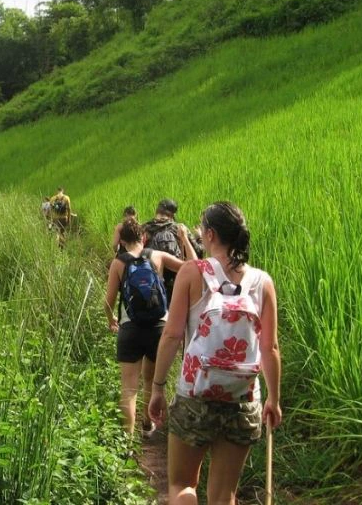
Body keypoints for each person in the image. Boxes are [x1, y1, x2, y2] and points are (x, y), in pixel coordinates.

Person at [147, 201, 282, 505]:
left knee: (182, 484)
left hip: (195, 396)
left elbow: (171, 334)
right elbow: (270, 348)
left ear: (209, 234)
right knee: (224, 495)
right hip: (243, 399)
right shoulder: (263, 282)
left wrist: (157, 388)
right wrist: (273, 398)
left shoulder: (193, 273)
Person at [104, 218, 195, 442]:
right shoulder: (157, 256)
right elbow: (193, 266)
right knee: (150, 380)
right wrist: (183, 238)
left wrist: (111, 320)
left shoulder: (118, 264)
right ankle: (147, 424)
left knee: (129, 387)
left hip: (130, 328)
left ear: (123, 241)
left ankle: (126, 443)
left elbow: (108, 302)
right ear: (144, 237)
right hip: (158, 328)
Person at [143, 198, 196, 303]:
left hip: (151, 282)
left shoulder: (144, 228)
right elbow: (197, 251)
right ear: (172, 215)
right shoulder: (179, 228)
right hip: (177, 280)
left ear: (157, 211)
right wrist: (199, 237)